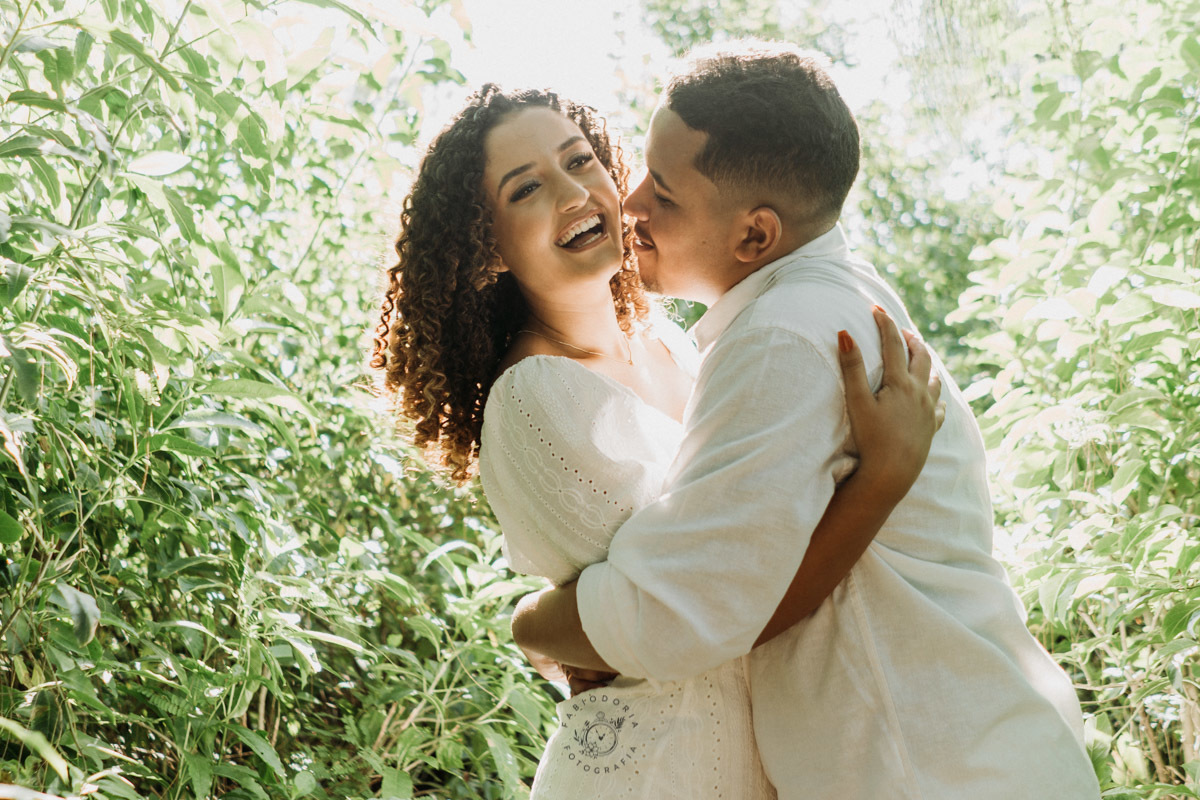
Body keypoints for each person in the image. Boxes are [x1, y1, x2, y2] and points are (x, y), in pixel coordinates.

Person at [509, 42, 1102, 799]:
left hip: (927, 772)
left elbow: (688, 608)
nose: (629, 206)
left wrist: (532, 624)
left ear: (755, 236)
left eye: (663, 189)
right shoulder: (826, 301)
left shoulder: (783, 338)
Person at [371, 83, 942, 797]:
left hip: (759, 752)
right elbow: (707, 612)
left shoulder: (677, 347)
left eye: (580, 161)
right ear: (487, 250)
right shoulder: (536, 394)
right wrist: (884, 478)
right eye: (526, 190)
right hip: (657, 767)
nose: (573, 193)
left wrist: (542, 629)